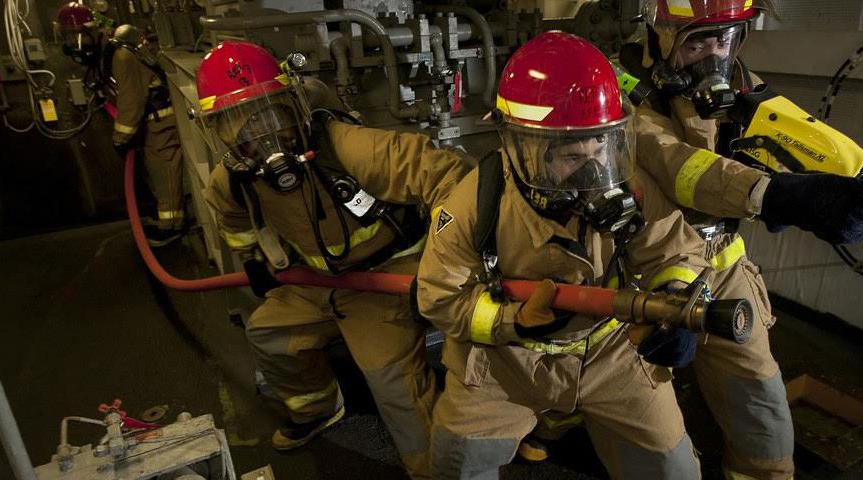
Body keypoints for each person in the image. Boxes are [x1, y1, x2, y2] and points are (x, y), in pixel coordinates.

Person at [595, 2, 863, 479]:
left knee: (761, 403)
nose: (714, 56)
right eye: (697, 42)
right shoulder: (614, 88)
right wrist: (773, 195)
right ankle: (554, 422)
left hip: (723, 264)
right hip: (643, 270)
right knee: (647, 430)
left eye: (725, 39)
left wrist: (824, 185)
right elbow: (672, 162)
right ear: (659, 33)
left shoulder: (737, 79)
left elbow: (782, 135)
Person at [417, 31, 715, 479]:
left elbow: (673, 250)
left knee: (671, 468)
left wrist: (674, 298)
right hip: (505, 362)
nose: (595, 170)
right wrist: (511, 321)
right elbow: (439, 296)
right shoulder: (473, 204)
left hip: (610, 350)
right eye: (573, 156)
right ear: (525, 151)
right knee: (456, 463)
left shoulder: (629, 187)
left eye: (602, 148)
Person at [198, 41, 470, 479]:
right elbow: (232, 220)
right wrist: (255, 258)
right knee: (268, 334)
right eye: (243, 126)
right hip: (317, 282)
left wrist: (442, 261)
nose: (265, 137)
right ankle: (317, 409)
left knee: (392, 383)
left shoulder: (349, 147)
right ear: (222, 134)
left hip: (386, 275)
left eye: (274, 115)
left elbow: (452, 179)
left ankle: (434, 470)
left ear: (294, 106)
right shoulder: (231, 181)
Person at [110, 24, 185, 247]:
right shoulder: (131, 53)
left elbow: (131, 102)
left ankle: (171, 226)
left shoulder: (122, 57)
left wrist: (120, 138)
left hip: (159, 125)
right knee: (157, 172)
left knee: (165, 172)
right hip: (154, 126)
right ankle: (164, 220)